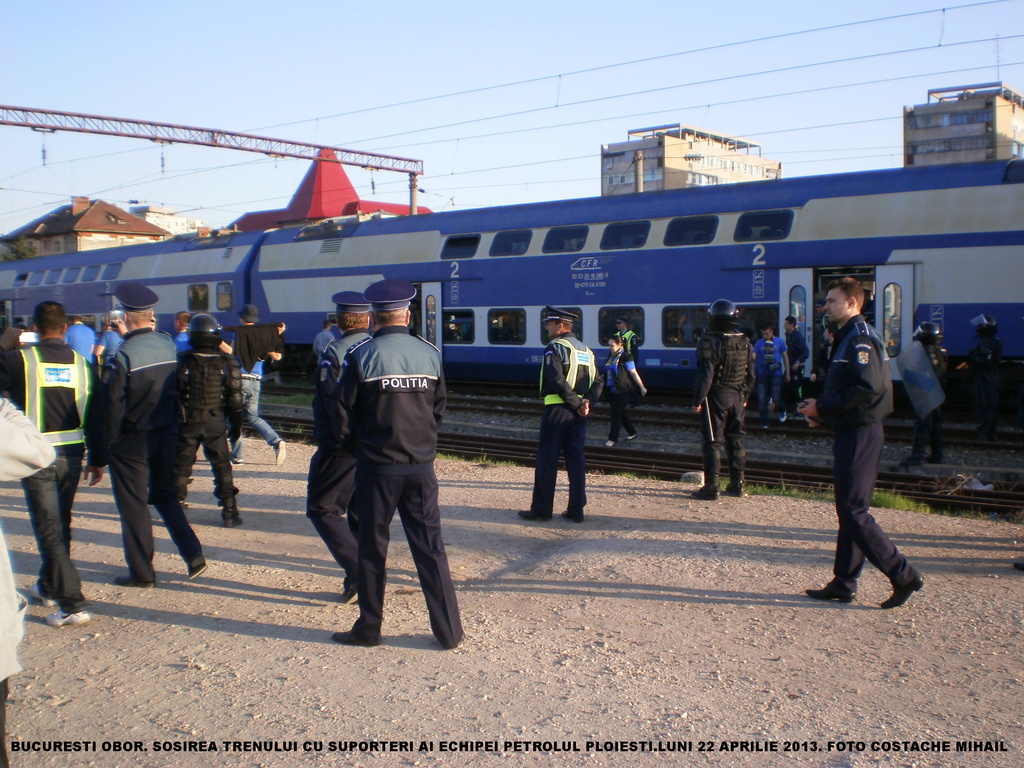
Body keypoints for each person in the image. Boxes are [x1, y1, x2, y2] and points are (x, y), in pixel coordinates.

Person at [331, 279, 462, 650]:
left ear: (373, 317)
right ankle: (449, 632)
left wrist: (361, 449)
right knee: (431, 549)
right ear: (406, 314)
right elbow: (438, 408)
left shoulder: (361, 355)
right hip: (421, 468)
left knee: (373, 550)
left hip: (376, 469)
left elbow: (343, 417)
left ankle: (369, 628)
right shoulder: (430, 353)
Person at [798, 277, 923, 610]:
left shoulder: (859, 339)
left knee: (854, 511)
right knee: (849, 510)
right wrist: (822, 412)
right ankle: (844, 582)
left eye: (833, 301)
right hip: (851, 430)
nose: (826, 307)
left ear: (853, 303)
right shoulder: (847, 337)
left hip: (860, 433)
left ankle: (904, 575)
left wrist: (822, 407)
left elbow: (867, 389)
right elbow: (849, 388)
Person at [0, 302, 107, 628]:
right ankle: (48, 586)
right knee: (61, 522)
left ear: (33, 327)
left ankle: (73, 604)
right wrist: (99, 459)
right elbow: (97, 414)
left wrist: (5, 344)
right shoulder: (83, 364)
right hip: (73, 456)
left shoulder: (20, 360)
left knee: (49, 531)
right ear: (64, 329)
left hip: (38, 458)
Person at [101, 283, 207, 587]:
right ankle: (192, 552)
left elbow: (112, 406)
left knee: (134, 504)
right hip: (168, 433)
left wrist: (108, 443)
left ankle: (142, 573)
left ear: (124, 316)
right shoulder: (168, 344)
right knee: (164, 494)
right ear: (150, 316)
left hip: (132, 440)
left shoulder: (122, 356)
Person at [0, 397, 58, 768]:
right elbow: (36, 450)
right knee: (56, 534)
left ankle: (58, 589)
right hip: (65, 454)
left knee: (51, 534)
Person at [306, 292, 371, 605]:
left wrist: (337, 443)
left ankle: (362, 573)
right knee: (360, 513)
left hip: (341, 447)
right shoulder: (375, 348)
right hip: (373, 446)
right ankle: (357, 579)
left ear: (339, 320)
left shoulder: (335, 351)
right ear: (367, 318)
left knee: (323, 508)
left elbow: (333, 401)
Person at [519, 307, 601, 524]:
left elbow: (556, 380)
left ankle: (542, 510)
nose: (546, 327)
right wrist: (587, 402)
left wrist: (574, 403)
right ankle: (576, 510)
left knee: (547, 459)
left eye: (549, 323)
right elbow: (599, 381)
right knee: (576, 460)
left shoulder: (555, 348)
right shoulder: (587, 351)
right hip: (580, 414)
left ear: (560, 325)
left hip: (557, 410)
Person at [173, 314, 244, 527]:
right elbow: (236, 398)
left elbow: (173, 394)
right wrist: (236, 425)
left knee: (182, 465)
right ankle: (229, 511)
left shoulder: (183, 361)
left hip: (189, 421)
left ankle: (176, 506)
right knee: (222, 466)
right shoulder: (227, 362)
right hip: (215, 421)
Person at [691, 299, 756, 500]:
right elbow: (751, 374)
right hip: (737, 395)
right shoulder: (745, 341)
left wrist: (698, 399)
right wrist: (744, 394)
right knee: (736, 438)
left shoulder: (709, 341)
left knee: (712, 440)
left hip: (716, 396)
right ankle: (738, 484)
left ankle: (712, 487)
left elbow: (706, 374)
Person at [222, 304, 287, 466]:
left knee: (234, 417)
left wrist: (216, 341)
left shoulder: (239, 334)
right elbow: (277, 357)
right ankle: (276, 441)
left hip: (240, 379)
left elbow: (230, 352)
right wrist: (278, 335)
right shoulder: (264, 335)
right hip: (256, 381)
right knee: (252, 416)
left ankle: (237, 455)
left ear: (242, 318)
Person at [904, 322, 948, 466]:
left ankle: (918, 455)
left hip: (926, 394)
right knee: (936, 425)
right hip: (936, 393)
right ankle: (937, 454)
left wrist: (909, 375)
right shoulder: (940, 351)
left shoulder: (926, 352)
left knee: (923, 425)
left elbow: (926, 375)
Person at [601, 333, 646, 446]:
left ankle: (612, 439)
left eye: (612, 345)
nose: (610, 347)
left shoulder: (626, 356)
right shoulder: (611, 356)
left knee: (615, 414)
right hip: (611, 390)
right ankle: (632, 432)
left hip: (623, 389)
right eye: (609, 345)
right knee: (621, 413)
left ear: (620, 345)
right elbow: (606, 371)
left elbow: (633, 372)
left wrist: (642, 387)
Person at [967, 314, 1001, 442]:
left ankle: (985, 433)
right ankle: (991, 433)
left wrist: (972, 357)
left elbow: (985, 361)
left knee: (985, 404)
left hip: (984, 377)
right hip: (991, 376)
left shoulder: (985, 343)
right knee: (992, 404)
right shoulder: (995, 341)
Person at [753, 322, 790, 428]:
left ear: (771, 332)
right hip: (762, 374)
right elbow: (754, 356)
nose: (765, 336)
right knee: (761, 399)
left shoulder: (779, 342)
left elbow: (785, 357)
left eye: (767, 334)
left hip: (775, 373)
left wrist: (787, 372)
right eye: (763, 334)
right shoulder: (759, 343)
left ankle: (782, 409)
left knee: (776, 397)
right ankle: (765, 422)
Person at [783, 315, 809, 415]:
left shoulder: (797, 337)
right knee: (788, 386)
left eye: (786, 324)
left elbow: (806, 351)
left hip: (797, 367)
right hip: (791, 365)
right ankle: (794, 409)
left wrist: (798, 362)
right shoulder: (789, 336)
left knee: (797, 389)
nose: (784, 326)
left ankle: (801, 410)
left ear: (792, 325)